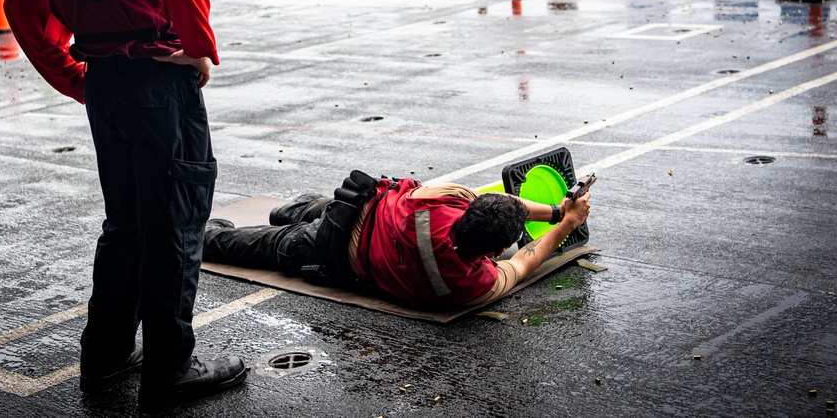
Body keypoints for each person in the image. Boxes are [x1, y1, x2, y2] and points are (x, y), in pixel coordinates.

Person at [3, 0, 246, 408]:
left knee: (127, 223)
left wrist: (76, 78)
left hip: (106, 87)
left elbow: (20, 6)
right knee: (177, 218)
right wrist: (198, 49)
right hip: (156, 85)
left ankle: (106, 356)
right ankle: (169, 370)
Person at [203, 171, 592, 309]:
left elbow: (504, 203)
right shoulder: (473, 284)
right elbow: (524, 262)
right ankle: (204, 238)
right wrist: (564, 223)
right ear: (493, 252)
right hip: (332, 250)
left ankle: (292, 210)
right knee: (269, 246)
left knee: (311, 211)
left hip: (353, 206)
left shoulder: (446, 200)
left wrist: (559, 211)